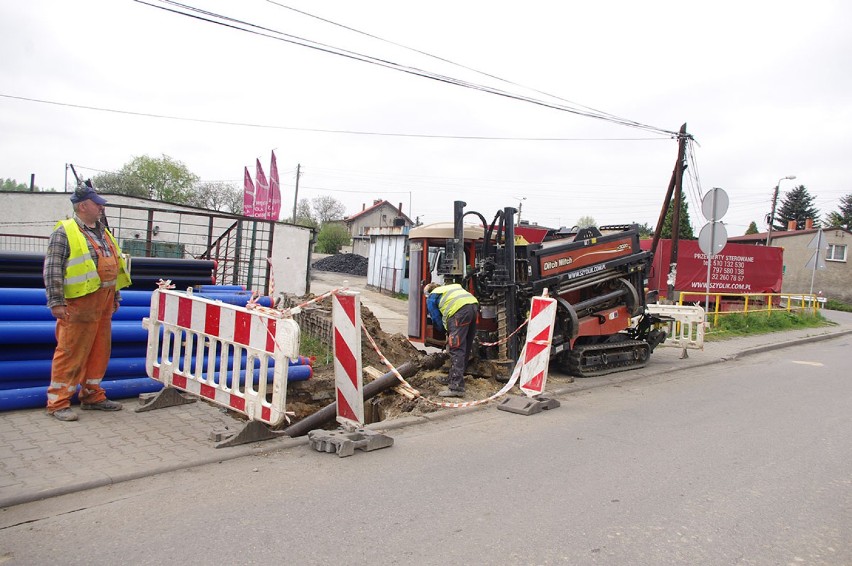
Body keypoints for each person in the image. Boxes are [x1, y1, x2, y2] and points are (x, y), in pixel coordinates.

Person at [43, 184, 132, 421]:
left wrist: (115, 296)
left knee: (99, 350)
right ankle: (58, 402)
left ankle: (92, 394)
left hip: (101, 304)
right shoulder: (65, 231)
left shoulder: (103, 232)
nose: (102, 207)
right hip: (78, 303)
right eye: (97, 203)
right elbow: (52, 268)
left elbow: (114, 266)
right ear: (83, 206)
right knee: (70, 351)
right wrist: (56, 301)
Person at [424, 281, 479, 398]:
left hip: (459, 312)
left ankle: (456, 386)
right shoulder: (450, 288)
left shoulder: (432, 297)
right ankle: (453, 377)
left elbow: (436, 318)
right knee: (466, 345)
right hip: (473, 307)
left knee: (456, 348)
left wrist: (445, 331)